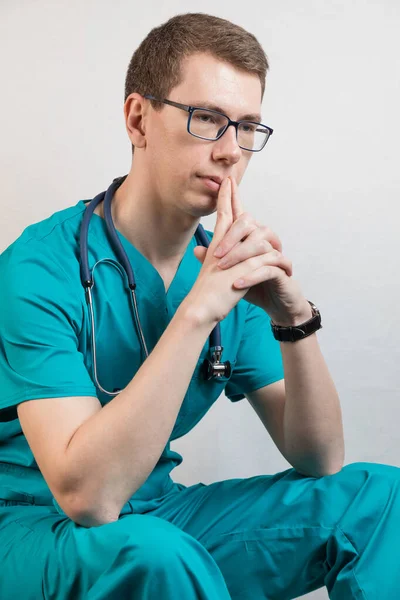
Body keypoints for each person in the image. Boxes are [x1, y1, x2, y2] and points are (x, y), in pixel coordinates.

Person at [0, 12, 399, 600]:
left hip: (158, 515)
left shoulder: (222, 272)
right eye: (208, 119)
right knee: (156, 554)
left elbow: (320, 457)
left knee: (379, 500)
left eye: (248, 128)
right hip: (33, 523)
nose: (232, 151)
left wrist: (293, 319)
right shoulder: (43, 267)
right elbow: (87, 498)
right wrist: (196, 311)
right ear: (138, 118)